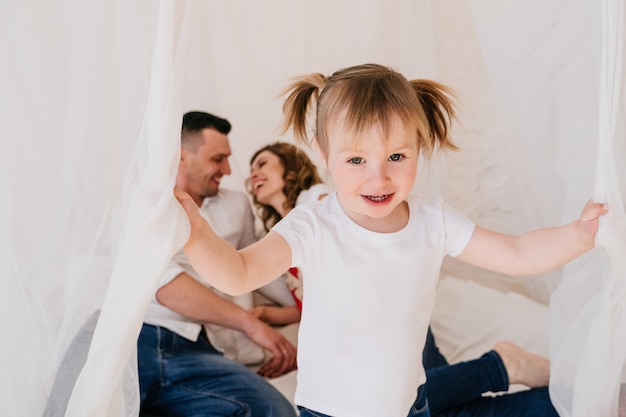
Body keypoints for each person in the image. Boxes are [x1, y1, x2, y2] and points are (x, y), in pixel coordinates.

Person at [174, 64, 608, 417]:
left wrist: (579, 234)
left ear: (419, 148)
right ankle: (505, 368)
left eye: (397, 157)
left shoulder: (432, 219)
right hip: (328, 411)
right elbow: (238, 273)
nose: (378, 177)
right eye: (357, 159)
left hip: (409, 406)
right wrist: (194, 233)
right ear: (325, 156)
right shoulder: (314, 224)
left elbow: (516, 254)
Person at [246, 141, 558, 417]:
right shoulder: (282, 236)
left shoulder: (319, 203)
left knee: (398, 399)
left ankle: (498, 367)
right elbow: (326, 296)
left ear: (290, 166)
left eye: (262, 164)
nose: (253, 174)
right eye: (251, 169)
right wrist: (271, 315)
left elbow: (359, 250)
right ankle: (567, 402)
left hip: (388, 326)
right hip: (370, 338)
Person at [137, 111, 297, 417]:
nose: (227, 169)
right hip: (150, 334)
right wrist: (251, 324)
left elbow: (258, 268)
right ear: (182, 157)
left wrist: (308, 302)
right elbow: (165, 286)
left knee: (274, 411)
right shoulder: (148, 206)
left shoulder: (235, 205)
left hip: (201, 346)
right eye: (218, 159)